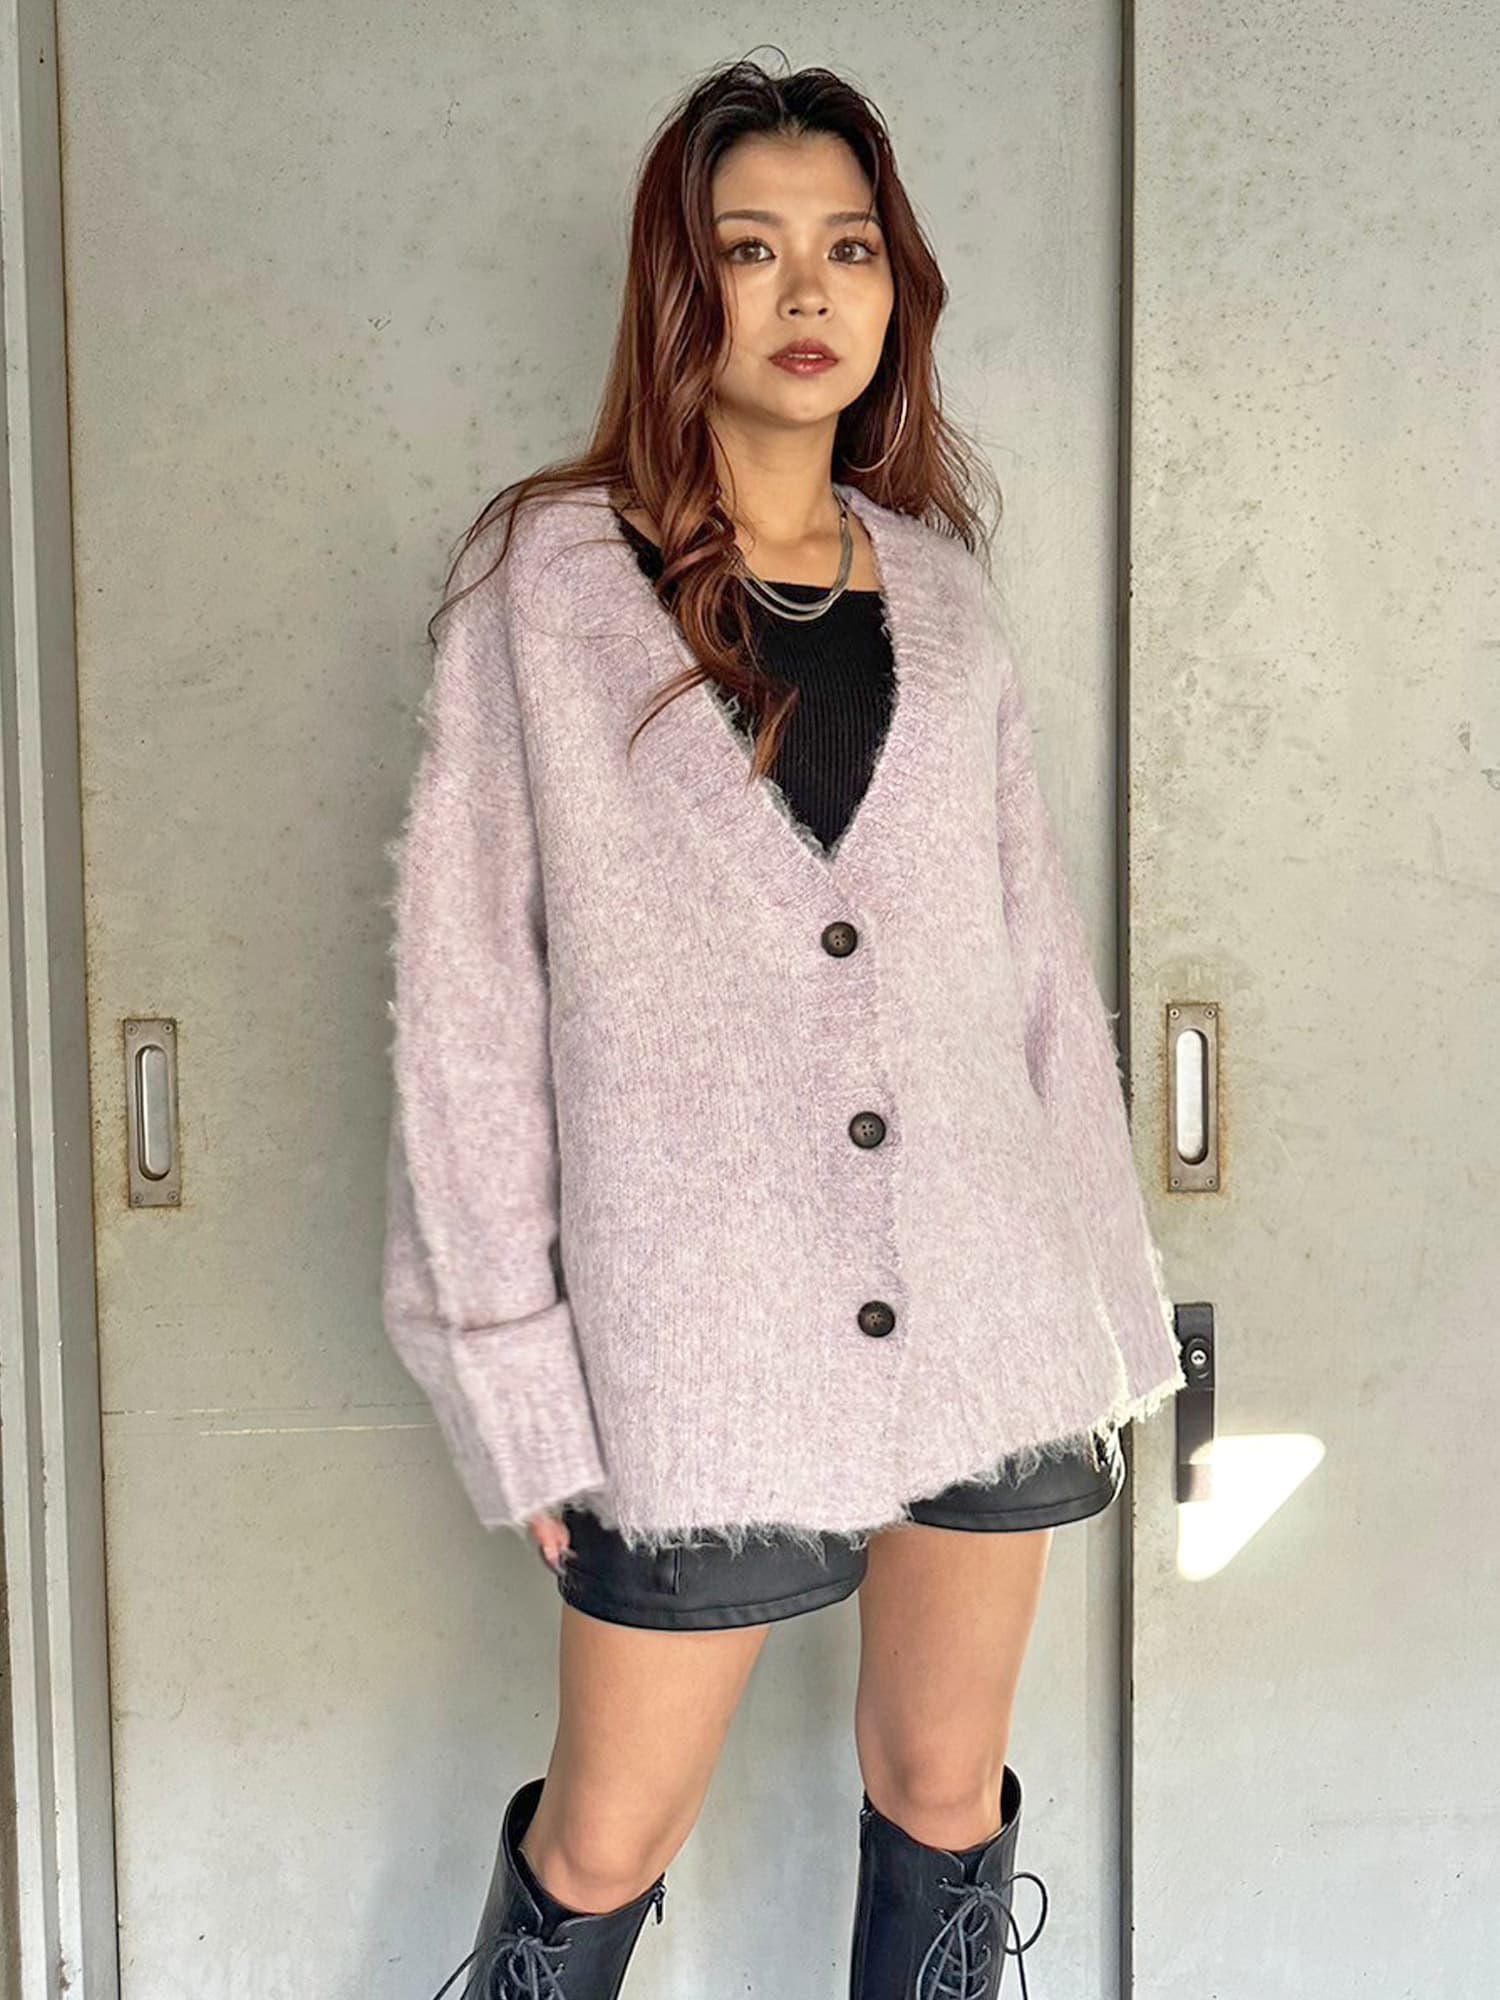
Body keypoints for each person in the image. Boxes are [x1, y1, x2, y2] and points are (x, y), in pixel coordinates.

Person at [383, 53, 1186, 2000]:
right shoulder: (543, 582)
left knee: (945, 1788)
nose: (809, 291)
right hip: (699, 1327)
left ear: (898, 290)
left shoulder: (948, 597)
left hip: (987, 1304)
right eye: (753, 250)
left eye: (851, 249)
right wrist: (514, 1381)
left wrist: (1104, 1320)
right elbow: (468, 1011)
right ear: (684, 290)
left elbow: (1034, 978)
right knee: (608, 1833)